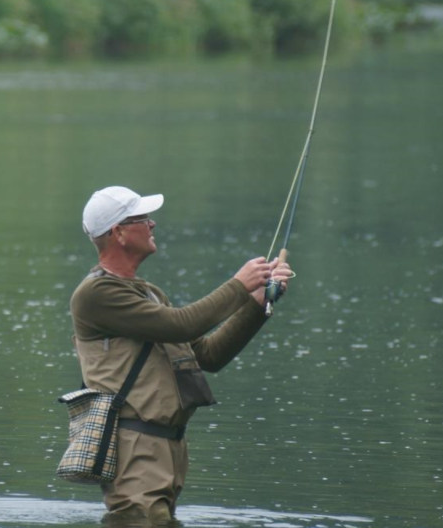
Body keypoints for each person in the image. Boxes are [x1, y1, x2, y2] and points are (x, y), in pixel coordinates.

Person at [69, 186, 292, 525]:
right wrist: (238, 284)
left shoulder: (148, 293)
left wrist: (259, 300)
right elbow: (182, 325)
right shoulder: (96, 294)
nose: (153, 224)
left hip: (167, 448)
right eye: (143, 218)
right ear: (119, 233)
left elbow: (209, 355)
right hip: (135, 448)